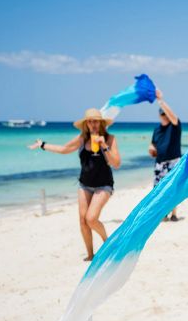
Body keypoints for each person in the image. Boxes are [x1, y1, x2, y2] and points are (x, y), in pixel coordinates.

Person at [29, 108, 121, 261]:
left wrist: (104, 146)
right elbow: (64, 149)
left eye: (96, 121)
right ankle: (91, 254)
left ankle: (108, 242)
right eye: (90, 121)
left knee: (91, 218)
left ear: (101, 123)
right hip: (85, 184)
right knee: (83, 220)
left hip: (103, 185)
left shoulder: (110, 139)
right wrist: (42, 144)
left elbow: (116, 163)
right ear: (86, 124)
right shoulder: (82, 139)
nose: (93, 124)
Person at [148, 90, 182, 221]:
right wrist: (151, 149)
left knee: (173, 189)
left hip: (173, 161)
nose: (164, 116)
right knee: (158, 189)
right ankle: (163, 213)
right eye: (162, 114)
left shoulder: (175, 126)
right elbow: (152, 143)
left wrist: (160, 101)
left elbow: (173, 116)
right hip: (159, 162)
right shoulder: (157, 129)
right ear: (159, 116)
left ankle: (174, 214)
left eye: (166, 114)